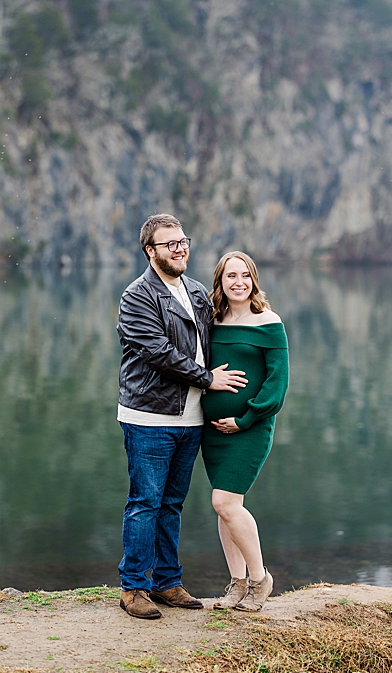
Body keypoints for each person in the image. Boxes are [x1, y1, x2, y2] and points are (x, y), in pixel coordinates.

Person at [116, 213, 248, 620]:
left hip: (191, 418)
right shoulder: (137, 296)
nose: (180, 248)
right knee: (145, 503)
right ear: (150, 251)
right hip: (149, 416)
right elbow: (158, 353)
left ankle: (167, 582)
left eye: (183, 240)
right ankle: (134, 586)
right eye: (169, 243)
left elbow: (223, 333)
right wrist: (208, 380)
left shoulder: (195, 292)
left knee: (172, 504)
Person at [200, 251, 289, 612]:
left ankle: (260, 578)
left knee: (223, 501)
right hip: (212, 432)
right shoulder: (211, 321)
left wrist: (245, 419)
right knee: (227, 508)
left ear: (253, 280)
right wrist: (209, 384)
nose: (238, 282)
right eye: (230, 276)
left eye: (245, 275)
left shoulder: (269, 323)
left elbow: (277, 385)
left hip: (249, 430)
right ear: (220, 282)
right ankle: (237, 582)